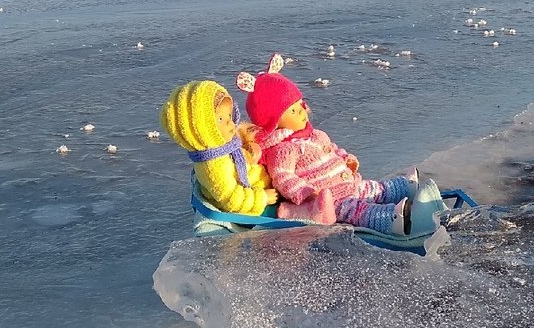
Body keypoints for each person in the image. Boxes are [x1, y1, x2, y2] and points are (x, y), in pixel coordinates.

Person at [236, 54, 446, 235]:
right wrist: (306, 193)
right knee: (356, 209)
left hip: (345, 181)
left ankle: (404, 187)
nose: (301, 111)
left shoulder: (314, 134)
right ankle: (392, 219)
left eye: (299, 104)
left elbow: (332, 149)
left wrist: (346, 158)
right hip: (329, 196)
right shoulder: (282, 149)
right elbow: (283, 177)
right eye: (292, 110)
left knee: (371, 188)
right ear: (273, 121)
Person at [162, 80, 278, 215]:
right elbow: (231, 199)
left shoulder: (223, 148)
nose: (230, 122)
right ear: (200, 127)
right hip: (250, 205)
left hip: (259, 187)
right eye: (220, 119)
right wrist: (263, 198)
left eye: (229, 115)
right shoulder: (214, 165)